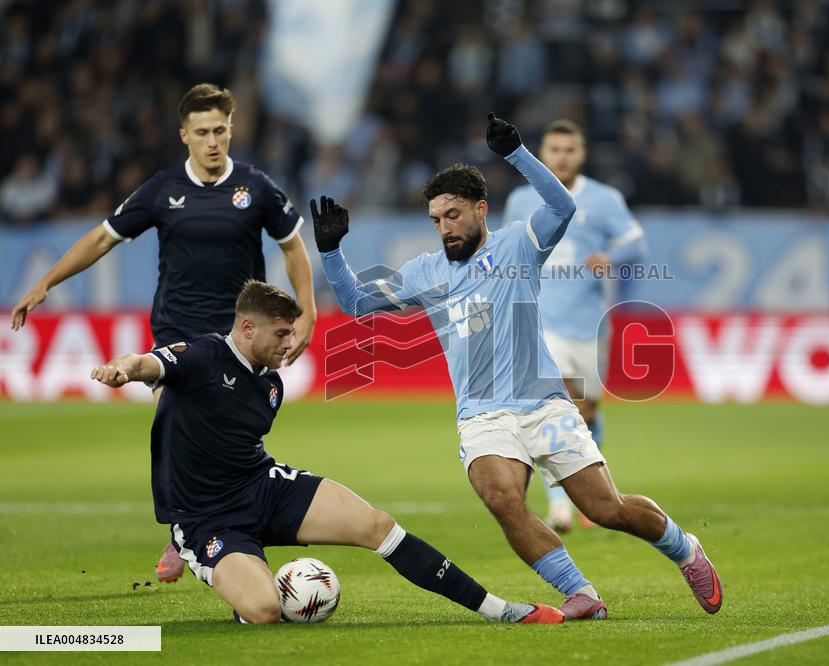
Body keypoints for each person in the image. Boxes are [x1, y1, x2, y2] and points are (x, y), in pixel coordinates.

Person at [312, 113, 722, 620]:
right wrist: (331, 250)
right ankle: (583, 594)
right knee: (501, 496)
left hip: (545, 404)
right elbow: (354, 302)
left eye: (454, 215)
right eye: (436, 220)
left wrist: (517, 154)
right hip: (482, 414)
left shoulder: (519, 244)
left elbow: (563, 205)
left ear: (481, 209)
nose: (445, 229)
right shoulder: (425, 272)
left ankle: (685, 548)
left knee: (605, 508)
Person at [89, 280, 563, 625]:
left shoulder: (270, 386)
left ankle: (497, 610)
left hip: (263, 487)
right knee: (263, 610)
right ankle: (230, 568)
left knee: (377, 526)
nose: (290, 344)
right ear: (248, 328)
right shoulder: (202, 357)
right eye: (281, 334)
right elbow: (148, 362)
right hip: (206, 519)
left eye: (291, 333)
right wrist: (122, 370)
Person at [8, 83, 318, 584]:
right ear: (184, 135)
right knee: (173, 416)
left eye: (220, 130)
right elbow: (102, 237)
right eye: (202, 132)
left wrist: (306, 312)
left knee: (234, 433)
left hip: (239, 335)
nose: (213, 141)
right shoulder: (162, 189)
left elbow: (293, 248)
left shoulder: (257, 188)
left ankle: (225, 520)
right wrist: (46, 281)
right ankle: (182, 526)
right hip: (178, 329)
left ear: (231, 129)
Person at [502, 119, 646, 533]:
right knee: (556, 406)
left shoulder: (604, 199)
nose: (561, 157)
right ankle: (560, 503)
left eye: (569, 150)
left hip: (589, 324)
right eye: (554, 150)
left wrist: (611, 256)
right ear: (542, 155)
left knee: (586, 411)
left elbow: (637, 242)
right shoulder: (519, 200)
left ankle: (594, 493)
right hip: (538, 323)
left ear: (581, 155)